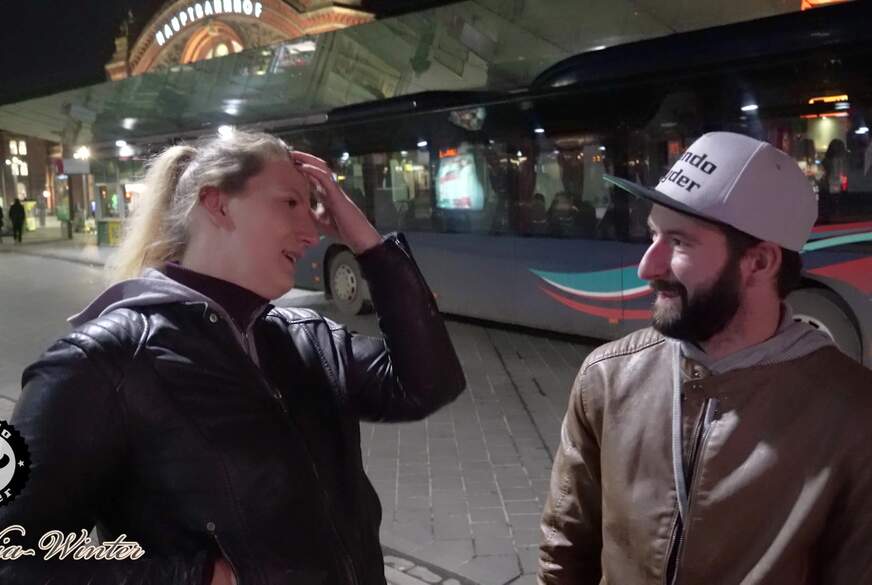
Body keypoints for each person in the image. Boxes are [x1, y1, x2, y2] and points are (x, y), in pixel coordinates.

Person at [0, 129, 466, 584]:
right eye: (290, 203)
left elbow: (427, 385)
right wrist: (193, 577)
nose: (312, 233)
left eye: (314, 208)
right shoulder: (102, 363)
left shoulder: (309, 339)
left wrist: (369, 245)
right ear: (217, 204)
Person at [539, 132, 872, 584]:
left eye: (678, 242)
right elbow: (564, 549)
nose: (646, 267)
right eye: (653, 234)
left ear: (760, 262)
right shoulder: (607, 377)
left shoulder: (854, 416)